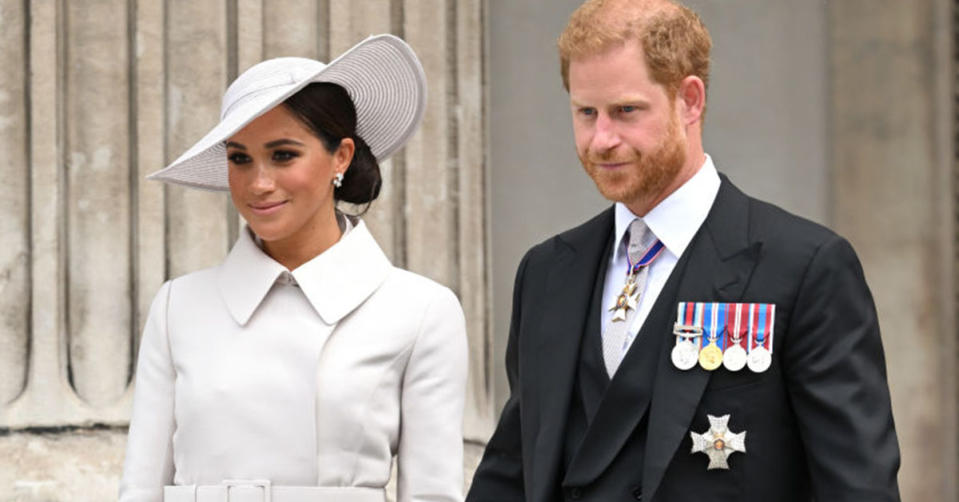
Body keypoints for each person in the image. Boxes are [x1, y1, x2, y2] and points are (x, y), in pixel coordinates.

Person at [467, 1, 900, 501]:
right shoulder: (546, 273)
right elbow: (511, 473)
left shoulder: (804, 268)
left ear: (689, 100)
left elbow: (858, 487)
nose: (601, 139)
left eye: (626, 111)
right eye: (586, 112)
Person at [119, 34, 468, 502]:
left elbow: (432, 495)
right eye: (240, 158)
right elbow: (140, 489)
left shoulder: (420, 311)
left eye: (283, 155)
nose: (259, 183)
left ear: (340, 157)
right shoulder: (177, 307)